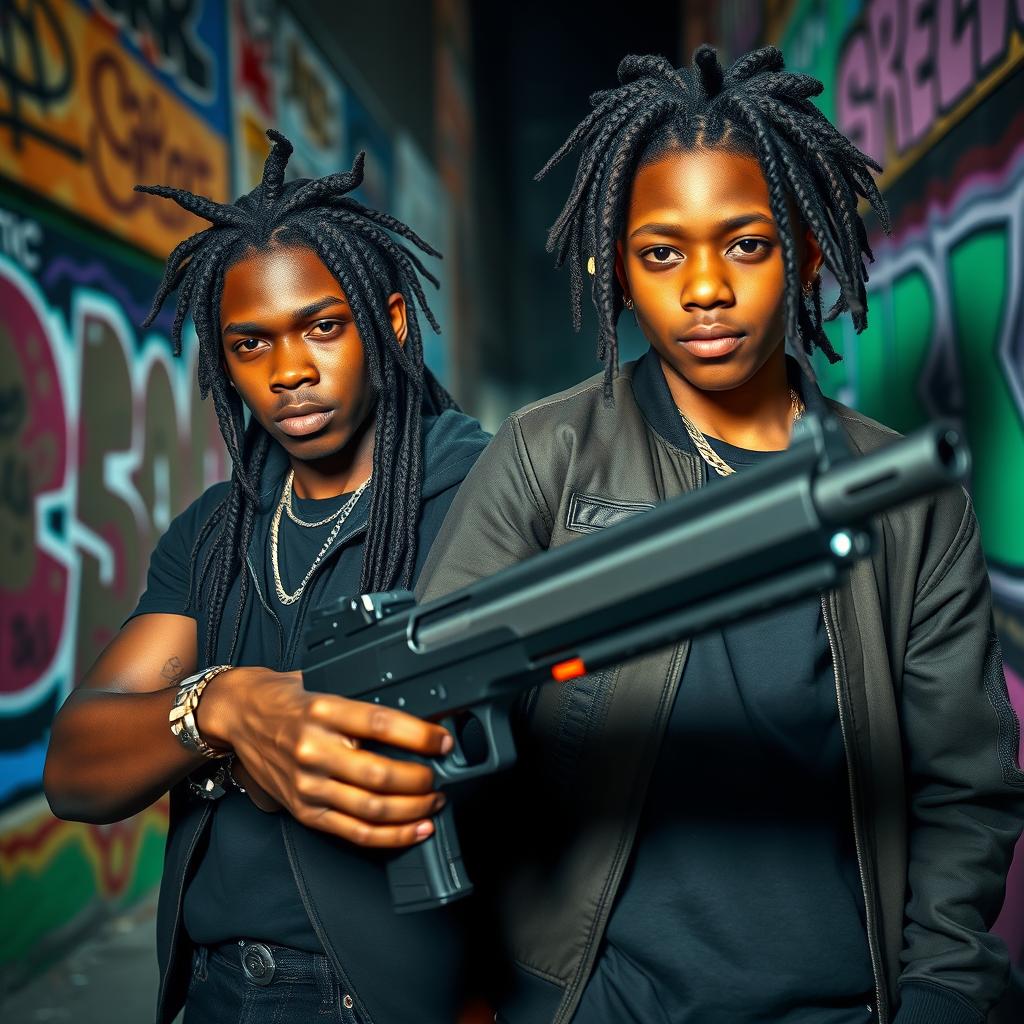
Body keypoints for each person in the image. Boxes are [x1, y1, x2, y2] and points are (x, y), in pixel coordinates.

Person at [416, 47, 1024, 1024]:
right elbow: (430, 708)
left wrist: (941, 993)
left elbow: (964, 787)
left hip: (844, 1004)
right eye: (662, 252)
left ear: (809, 252)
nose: (704, 287)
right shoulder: (543, 457)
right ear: (618, 265)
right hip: (596, 1002)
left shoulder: (904, 497)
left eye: (744, 244)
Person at [44, 130, 489, 1024]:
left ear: (391, 321)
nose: (289, 372)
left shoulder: (489, 495)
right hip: (213, 990)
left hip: (394, 999)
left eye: (323, 327)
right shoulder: (216, 535)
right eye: (251, 345)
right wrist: (222, 706)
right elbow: (77, 766)